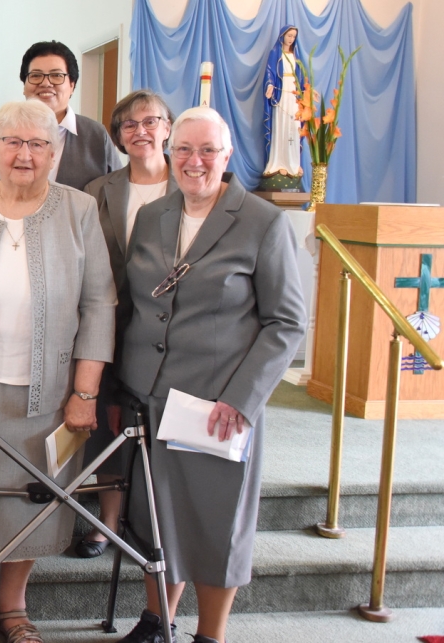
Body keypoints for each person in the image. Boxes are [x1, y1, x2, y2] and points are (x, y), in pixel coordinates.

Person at [0, 100, 115, 643]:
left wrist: (85, 391)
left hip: (52, 392)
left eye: (37, 144)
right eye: (12, 142)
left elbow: (100, 303)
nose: (24, 154)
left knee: (34, 497)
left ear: (55, 153)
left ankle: (12, 605)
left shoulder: (79, 210)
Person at [115, 106, 305, 643]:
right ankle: (158, 621)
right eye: (183, 150)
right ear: (170, 154)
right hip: (151, 394)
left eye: (207, 152)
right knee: (158, 517)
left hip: (218, 402)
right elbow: (136, 302)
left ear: (226, 157)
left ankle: (211, 634)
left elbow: (286, 324)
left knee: (217, 521)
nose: (194, 162)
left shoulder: (263, 222)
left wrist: (242, 399)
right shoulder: (154, 215)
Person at [75, 89, 176, 559]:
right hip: (112, 321)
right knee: (108, 427)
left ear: (168, 128)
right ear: (117, 136)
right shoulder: (100, 190)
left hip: (172, 330)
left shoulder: (192, 185)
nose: (141, 132)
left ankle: (160, 520)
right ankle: (106, 523)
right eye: (130, 125)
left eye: (151, 122)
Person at [0, 41, 121, 192]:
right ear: (24, 85)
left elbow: (114, 196)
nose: (45, 83)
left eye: (56, 75)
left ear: (72, 85)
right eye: (36, 76)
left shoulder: (96, 136)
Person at [262, 26, 304, 179]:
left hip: (293, 93)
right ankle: (279, 162)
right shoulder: (276, 53)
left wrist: (304, 92)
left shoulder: (296, 55)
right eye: (289, 35)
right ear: (283, 36)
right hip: (281, 93)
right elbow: (270, 71)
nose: (291, 39)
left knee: (294, 126)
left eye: (294, 36)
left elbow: (302, 76)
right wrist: (270, 85)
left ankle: (292, 162)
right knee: (281, 126)